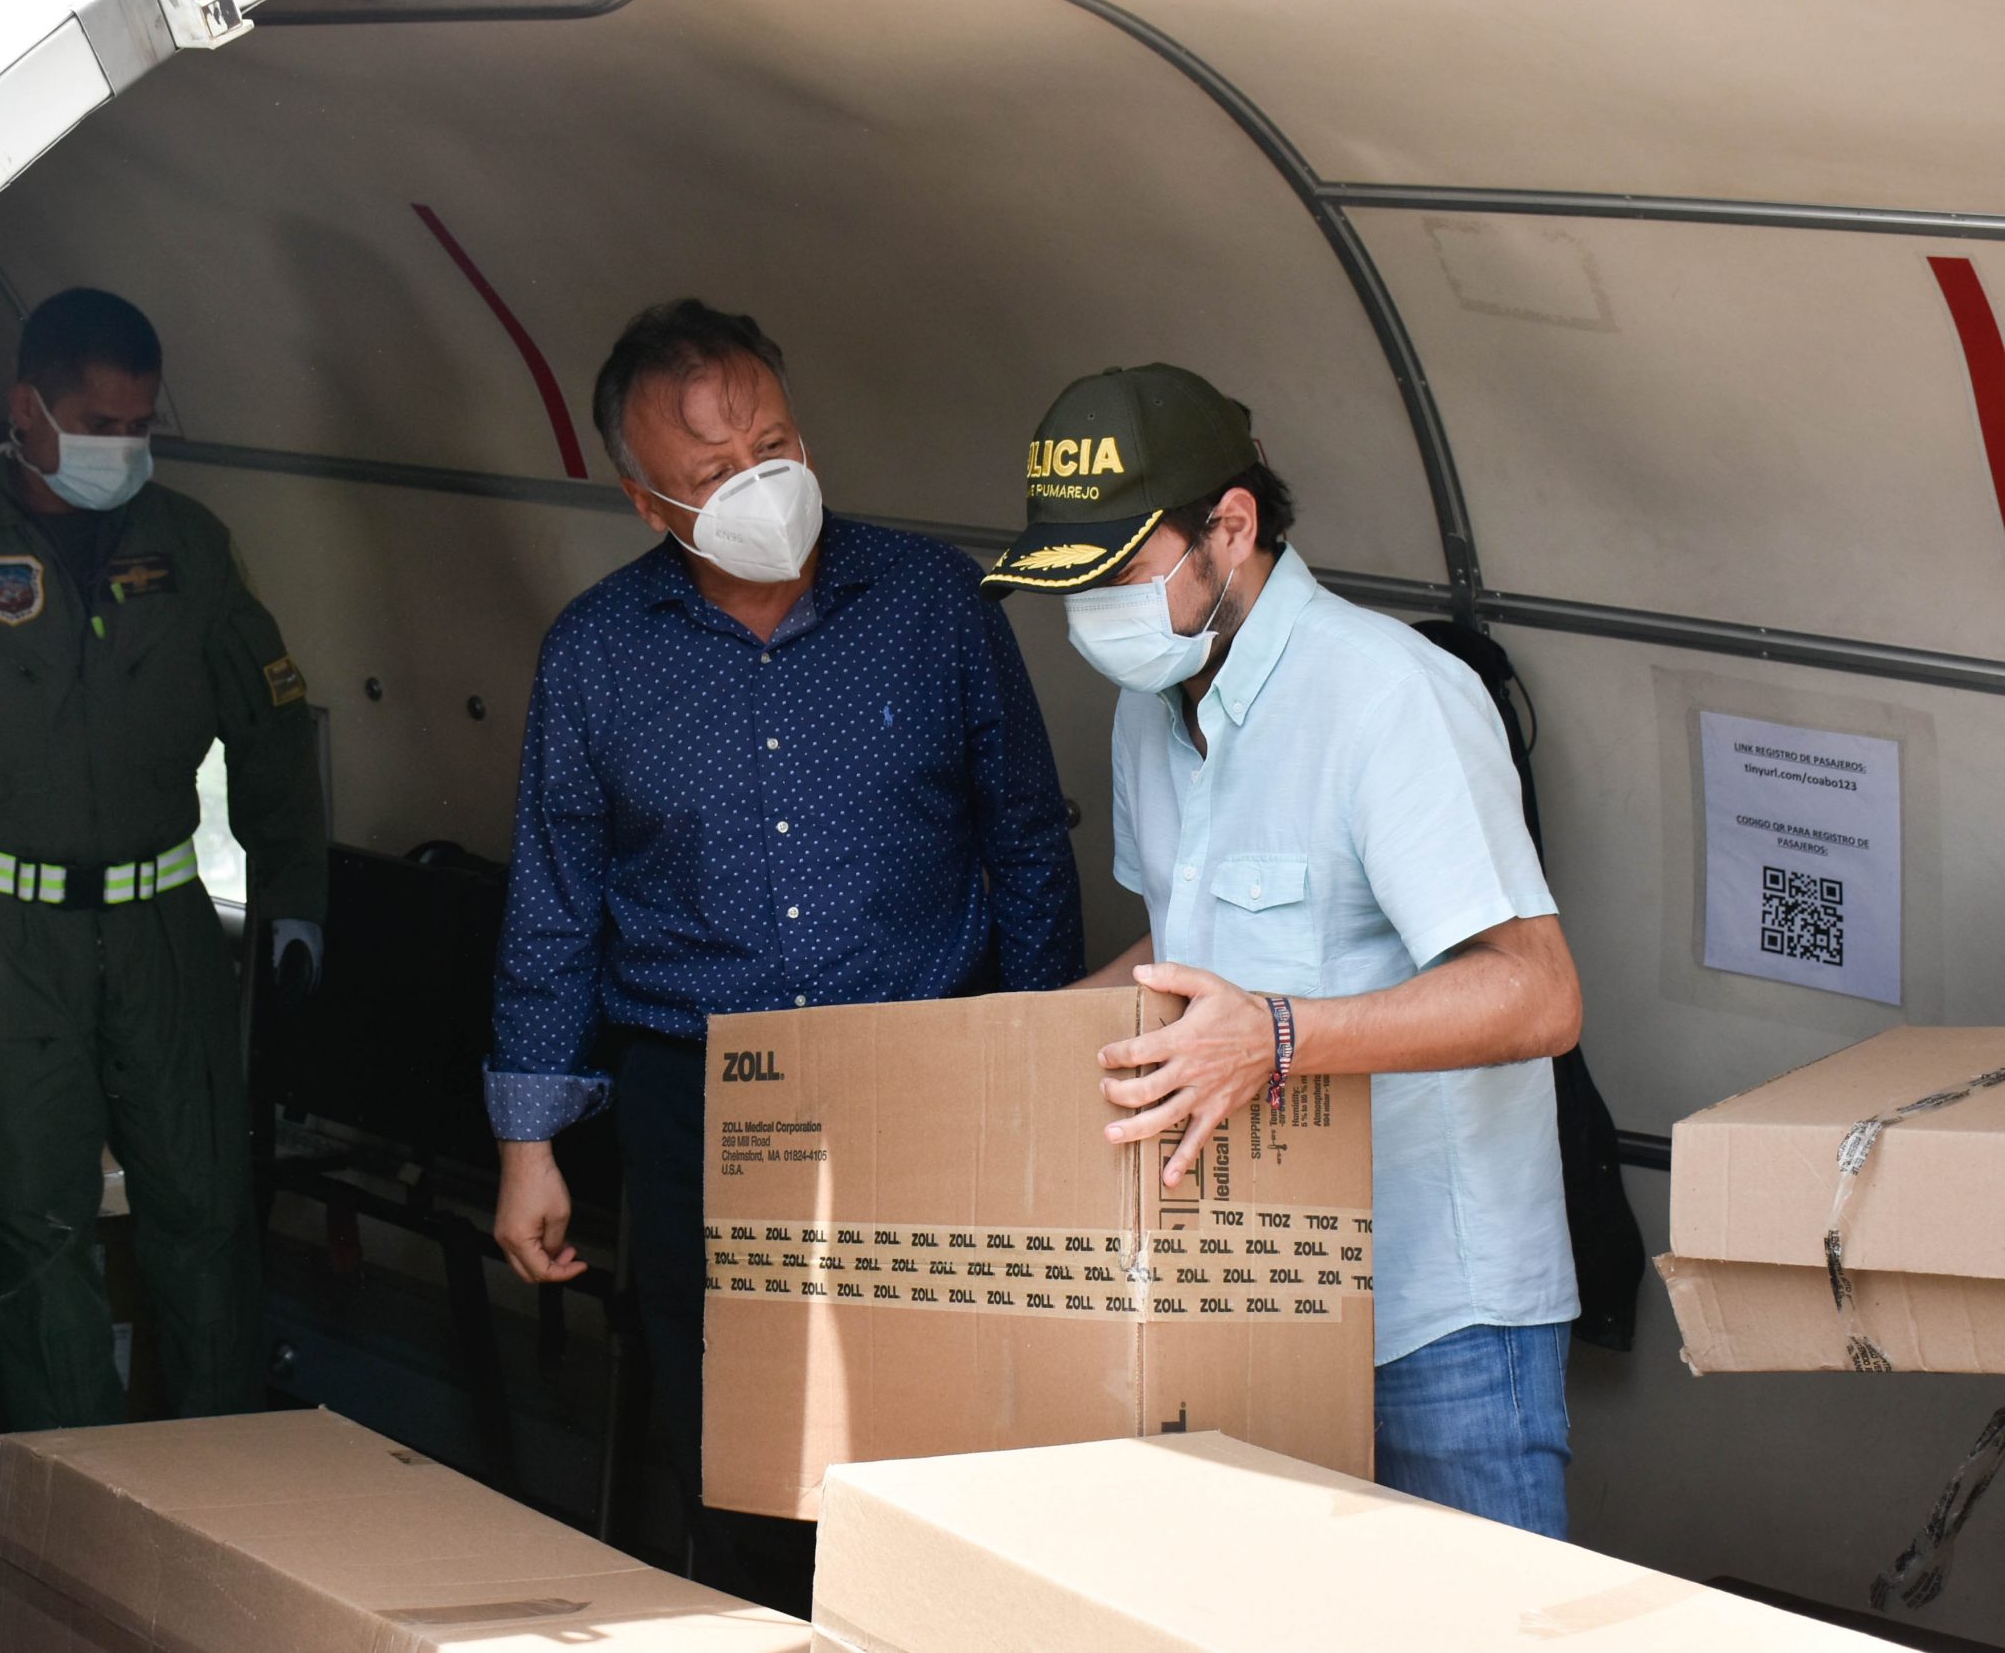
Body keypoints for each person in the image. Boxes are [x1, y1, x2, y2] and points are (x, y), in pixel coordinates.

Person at [488, 300, 1085, 1604]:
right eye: (712, 475)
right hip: (701, 1101)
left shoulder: (934, 603)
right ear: (650, 504)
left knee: (942, 1425)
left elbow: (1029, 839)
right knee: (741, 1445)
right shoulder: (596, 656)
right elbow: (554, 902)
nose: (759, 484)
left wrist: (1042, 1066)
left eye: (775, 444)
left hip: (926, 1076)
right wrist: (528, 1141)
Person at [983, 363, 1584, 1536]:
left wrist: (1276, 1038)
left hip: (1436, 1312)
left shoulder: (1390, 696)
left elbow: (1538, 993)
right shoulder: (1146, 708)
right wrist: (1022, 1043)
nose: (1096, 606)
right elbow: (1185, 938)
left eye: (1119, 569)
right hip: (1257, 1284)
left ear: (1233, 526)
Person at [0, 287, 327, 1431]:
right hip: (4, 935)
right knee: (35, 1221)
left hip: (164, 928)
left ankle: (228, 1477)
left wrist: (292, 890)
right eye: (98, 423)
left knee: (203, 1208)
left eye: (140, 425)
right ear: (25, 410)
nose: (122, 449)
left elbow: (273, 725)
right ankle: (71, 1485)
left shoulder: (189, 546)